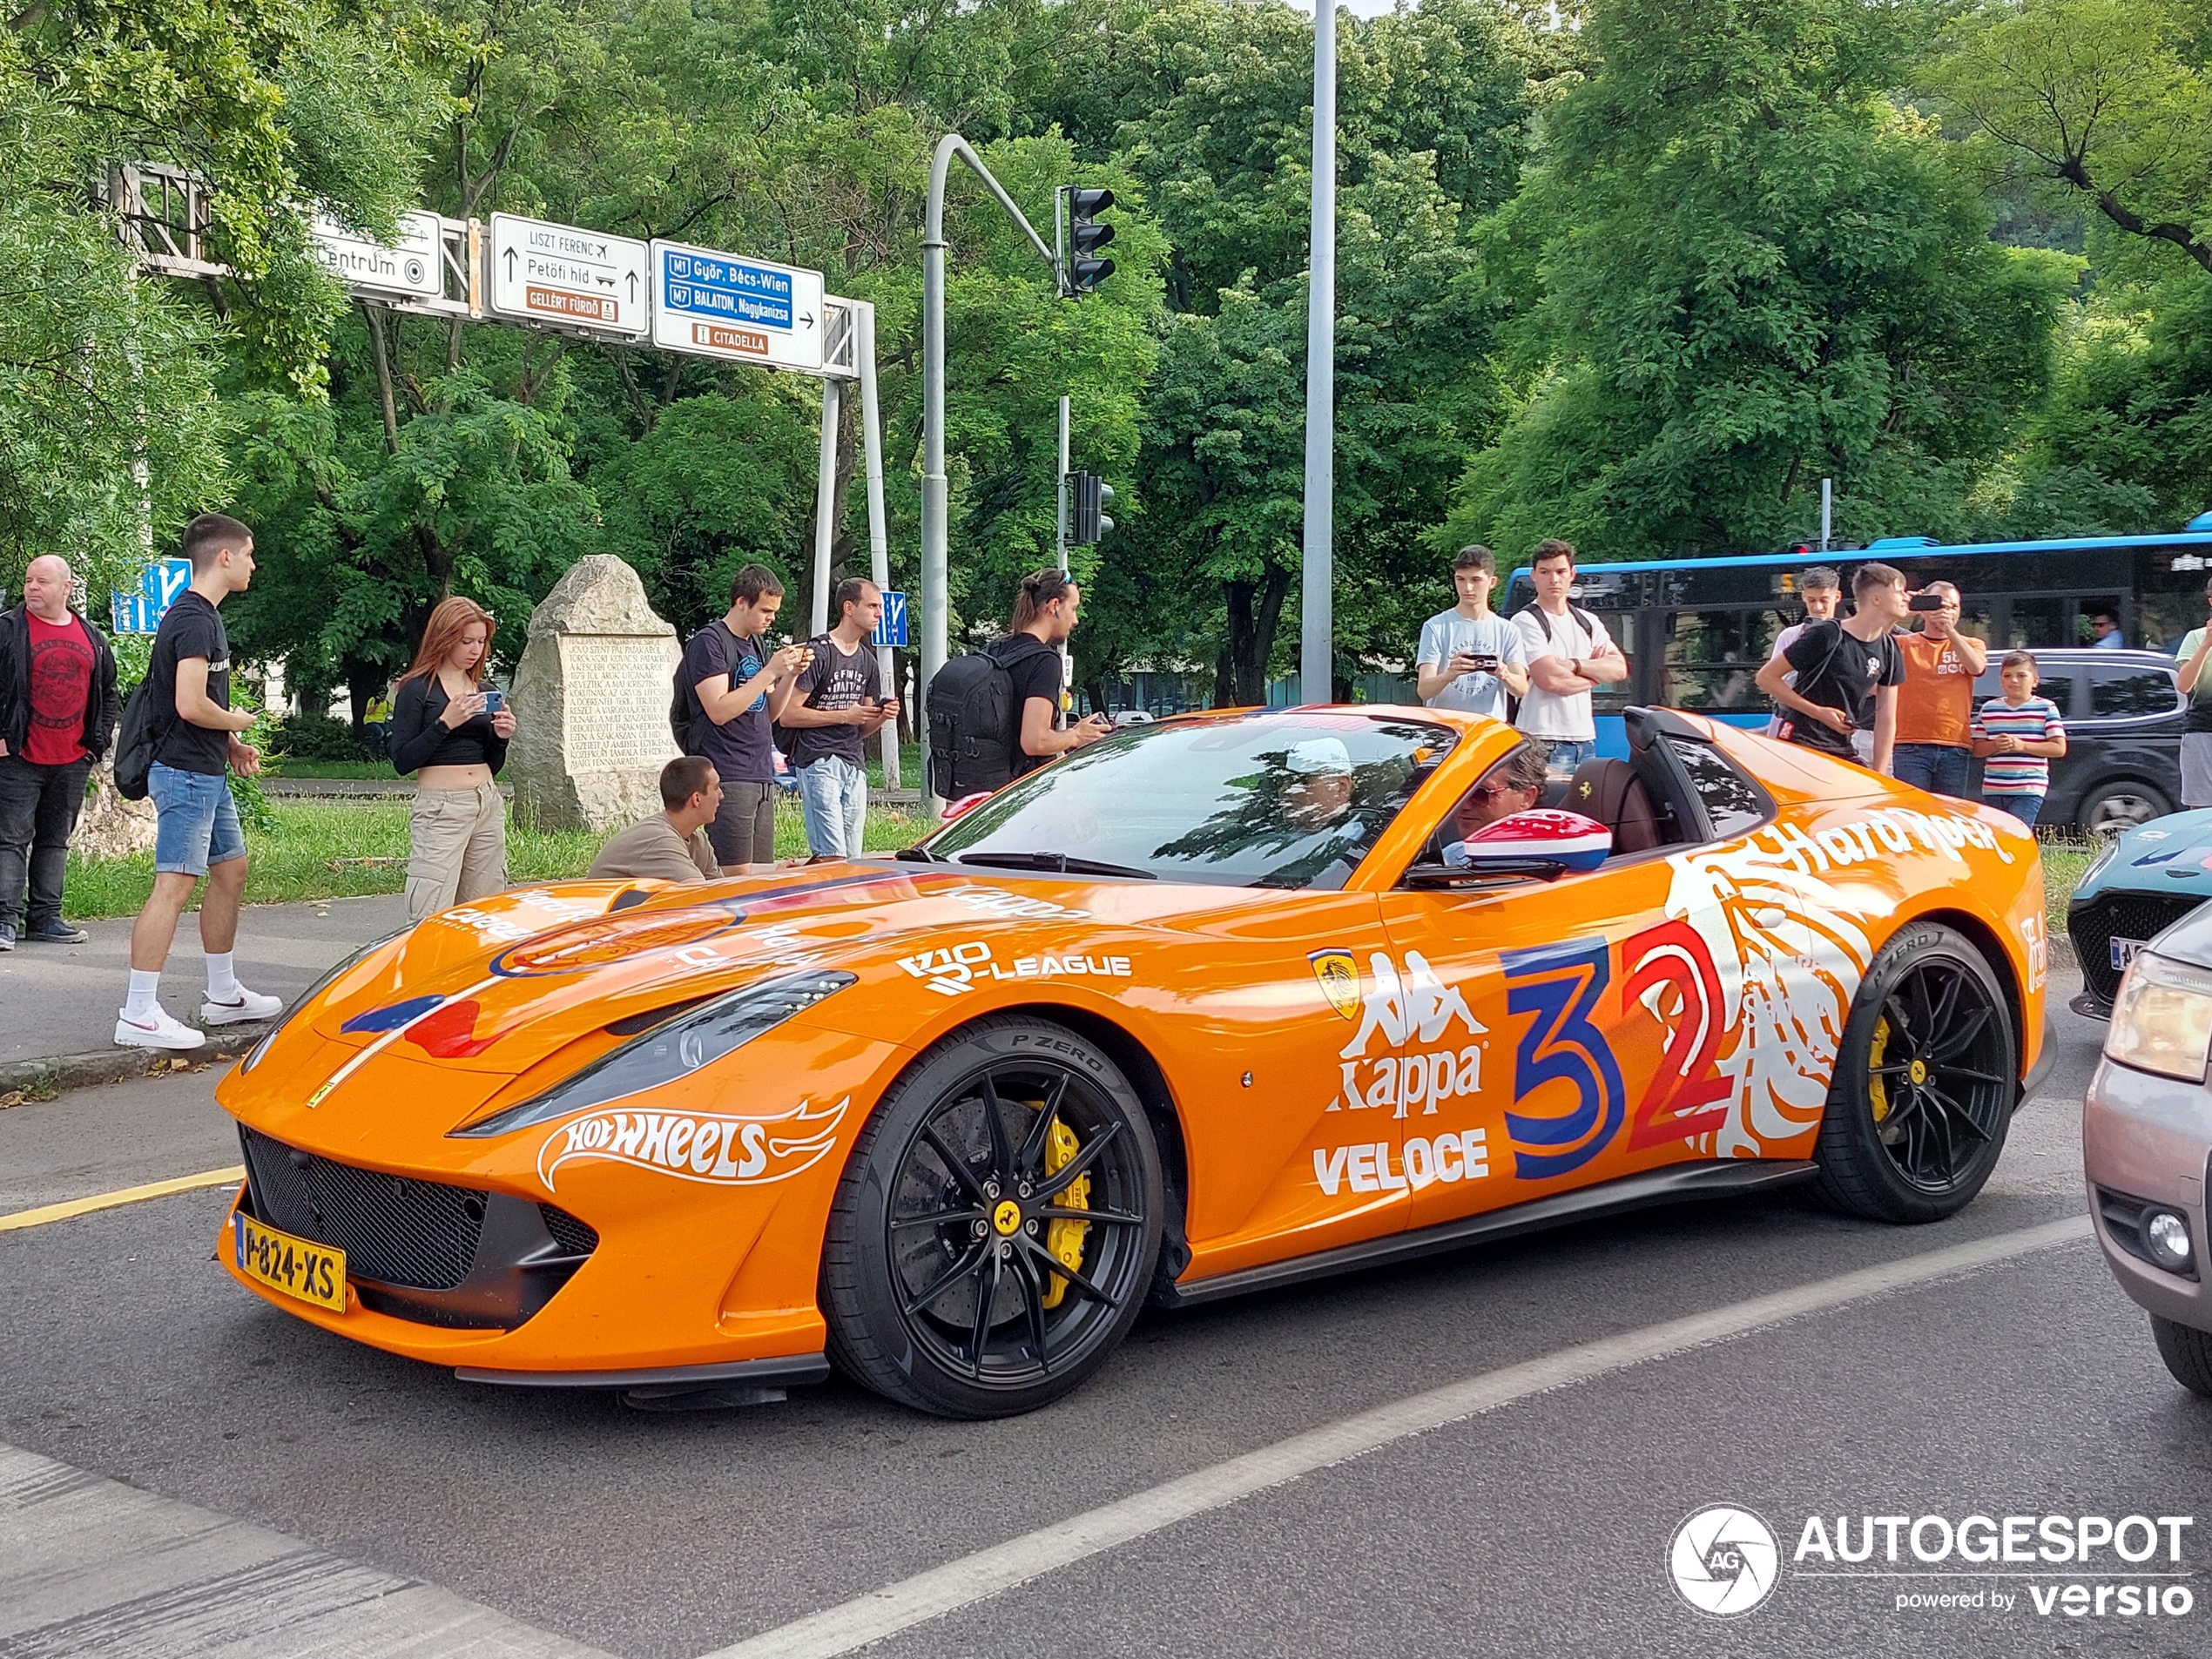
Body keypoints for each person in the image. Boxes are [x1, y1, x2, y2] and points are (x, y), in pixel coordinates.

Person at [118, 514, 282, 1050]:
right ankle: (138, 1011)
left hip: (205, 768)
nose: (255, 563)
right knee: (174, 885)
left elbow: (181, 700)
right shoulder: (194, 619)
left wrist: (228, 744)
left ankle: (223, 993)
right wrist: (237, 722)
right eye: (250, 553)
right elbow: (191, 704)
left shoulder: (201, 616)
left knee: (230, 870)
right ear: (225, 557)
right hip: (185, 773)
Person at [0, 555, 118, 950]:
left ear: (66, 588)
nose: (32, 587)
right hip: (17, 757)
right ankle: (4, 921)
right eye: (29, 580)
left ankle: (46, 918)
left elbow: (108, 694)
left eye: (42, 581)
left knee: (54, 840)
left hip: (71, 759)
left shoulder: (92, 637)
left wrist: (94, 745)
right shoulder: (7, 630)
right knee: (10, 839)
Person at [388, 597, 517, 922]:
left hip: (486, 800)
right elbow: (402, 760)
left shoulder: (482, 689)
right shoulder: (417, 689)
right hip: (442, 806)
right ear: (444, 638)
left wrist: (500, 738)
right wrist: (445, 723)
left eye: (481, 641)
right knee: (432, 905)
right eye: (466, 641)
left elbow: (492, 762)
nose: (475, 649)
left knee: (484, 907)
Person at [679, 565, 811, 874]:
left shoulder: (755, 642)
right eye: (765, 609)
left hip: (760, 772)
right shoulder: (710, 642)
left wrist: (790, 674)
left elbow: (769, 712)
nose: (772, 617)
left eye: (775, 611)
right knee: (734, 878)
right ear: (741, 602)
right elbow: (719, 710)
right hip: (728, 771)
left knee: (760, 874)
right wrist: (769, 672)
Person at [780, 577, 900, 860]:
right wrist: (845, 714)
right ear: (849, 607)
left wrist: (882, 716)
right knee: (831, 855)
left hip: (853, 763)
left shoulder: (867, 661)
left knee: (852, 857)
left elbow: (860, 727)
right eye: (872, 606)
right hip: (818, 759)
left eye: (880, 607)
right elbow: (788, 714)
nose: (879, 613)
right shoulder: (818, 652)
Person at [1754, 561, 1909, 774]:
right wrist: (1818, 712)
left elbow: (1886, 719)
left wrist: (1880, 776)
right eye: (1899, 591)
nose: (1907, 597)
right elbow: (1766, 678)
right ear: (1876, 599)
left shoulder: (1890, 648)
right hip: (1803, 743)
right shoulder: (1827, 634)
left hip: (1842, 747)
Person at [1511, 538, 1627, 775]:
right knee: (1548, 810)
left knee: (1580, 811)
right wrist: (1595, 676)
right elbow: (1550, 681)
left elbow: (1619, 668)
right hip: (1543, 739)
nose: (1553, 579)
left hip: (1585, 739)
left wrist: (1574, 665)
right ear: (1533, 575)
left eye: (1560, 571)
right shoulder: (1526, 621)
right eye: (1545, 572)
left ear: (1572, 574)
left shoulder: (1587, 621)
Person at [1891, 580, 1987, 800]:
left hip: (1954, 745)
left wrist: (1951, 632)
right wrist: (1901, 606)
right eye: (1940, 605)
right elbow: (1872, 637)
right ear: (1924, 611)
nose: (1948, 612)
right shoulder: (1902, 644)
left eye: (1954, 607)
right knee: (1914, 812)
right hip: (1910, 745)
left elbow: (1976, 667)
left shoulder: (1972, 643)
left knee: (1950, 814)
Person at [1415, 546, 1529, 721]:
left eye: (1476, 580)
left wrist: (1502, 672)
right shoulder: (1436, 626)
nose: (1467, 587)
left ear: (1492, 582)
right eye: (1460, 579)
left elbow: (1521, 688)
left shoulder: (1507, 630)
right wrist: (1449, 674)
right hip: (1445, 727)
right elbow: (1423, 690)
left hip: (1488, 728)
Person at [587, 756, 724, 883]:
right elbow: (701, 896)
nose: (721, 795)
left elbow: (722, 893)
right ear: (696, 799)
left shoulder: (698, 840)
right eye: (716, 788)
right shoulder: (660, 838)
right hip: (599, 907)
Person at [1971, 651, 2067, 826]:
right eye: (2007, 676)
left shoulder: (2045, 708)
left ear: (2035, 681)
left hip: (2028, 787)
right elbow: (1978, 749)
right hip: (1994, 787)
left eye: (2021, 675)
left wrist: (2022, 746)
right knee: (1998, 834)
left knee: (2016, 830)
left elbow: (2059, 748)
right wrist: (1995, 745)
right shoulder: (1989, 709)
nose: (2013, 680)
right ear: (2001, 680)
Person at [1763, 567, 1841, 737]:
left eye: (1824, 600)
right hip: (1792, 722)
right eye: (1812, 600)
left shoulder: (1847, 637)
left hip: (1832, 724)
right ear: (1803, 597)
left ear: (1837, 597)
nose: (1818, 607)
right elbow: (1775, 683)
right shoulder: (1790, 636)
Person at [1442, 742, 1550, 863]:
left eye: (1481, 793)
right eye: (1458, 792)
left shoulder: (1545, 868)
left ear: (1526, 797)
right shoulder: (1450, 855)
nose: (1464, 805)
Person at [2169, 577, 2212, 807]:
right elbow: (2184, 685)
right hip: (2204, 732)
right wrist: (2206, 644)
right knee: (2202, 813)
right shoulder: (2196, 638)